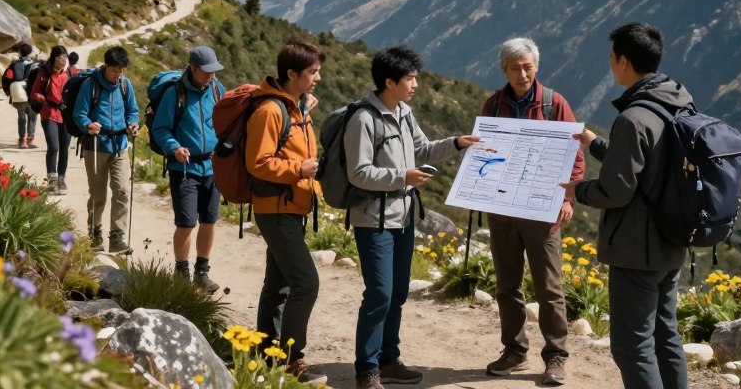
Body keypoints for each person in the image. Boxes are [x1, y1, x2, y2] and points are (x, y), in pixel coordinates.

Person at [562, 23, 691, 389]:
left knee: (633, 347)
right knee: (666, 337)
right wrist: (596, 144)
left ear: (622, 61)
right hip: (671, 241)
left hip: (636, 251)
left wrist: (577, 189)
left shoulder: (633, 118)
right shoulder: (677, 101)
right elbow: (649, 162)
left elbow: (616, 191)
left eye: (611, 58)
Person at [344, 46, 479, 389]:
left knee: (399, 292)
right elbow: (358, 173)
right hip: (373, 221)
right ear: (389, 81)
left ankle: (388, 359)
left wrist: (457, 143)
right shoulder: (363, 119)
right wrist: (402, 177)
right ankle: (367, 369)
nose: (416, 83)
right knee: (379, 294)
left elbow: (423, 150)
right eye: (410, 78)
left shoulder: (404, 112)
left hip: (403, 218)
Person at [482, 38, 584, 386]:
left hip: (542, 214)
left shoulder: (555, 104)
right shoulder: (493, 105)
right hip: (503, 213)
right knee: (507, 286)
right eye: (515, 67)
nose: (522, 73)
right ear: (504, 70)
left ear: (536, 67)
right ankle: (514, 350)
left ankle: (556, 356)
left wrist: (567, 199)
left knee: (549, 288)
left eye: (527, 66)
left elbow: (576, 157)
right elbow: (483, 152)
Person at [245, 42, 327, 385]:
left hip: (289, 207)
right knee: (306, 283)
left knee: (277, 285)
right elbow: (258, 162)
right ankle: (292, 360)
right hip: (276, 208)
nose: (318, 78)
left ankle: (266, 353)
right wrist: (300, 169)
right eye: (312, 72)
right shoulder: (270, 112)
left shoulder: (297, 108)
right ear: (291, 74)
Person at [151, 46, 226, 292]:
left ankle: (202, 274)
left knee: (209, 220)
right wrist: (174, 147)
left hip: (211, 166)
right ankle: (181, 273)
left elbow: (226, 121)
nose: (211, 76)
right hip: (183, 168)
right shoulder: (175, 94)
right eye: (206, 71)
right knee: (186, 222)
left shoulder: (216, 89)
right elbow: (160, 128)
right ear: (192, 68)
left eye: (214, 71)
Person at [73, 46, 141, 254]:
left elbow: (133, 110)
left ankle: (117, 237)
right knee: (98, 195)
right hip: (95, 147)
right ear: (106, 66)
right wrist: (88, 126)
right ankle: (95, 232)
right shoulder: (90, 86)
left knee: (121, 189)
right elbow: (79, 114)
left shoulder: (125, 86)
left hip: (120, 145)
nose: (118, 75)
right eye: (115, 70)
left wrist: (132, 123)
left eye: (121, 71)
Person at [29, 45, 73, 195]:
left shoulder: (68, 75)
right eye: (60, 56)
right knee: (54, 146)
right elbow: (34, 92)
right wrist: (41, 98)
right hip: (48, 114)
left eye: (65, 57)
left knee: (64, 149)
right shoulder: (43, 74)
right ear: (53, 57)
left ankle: (61, 179)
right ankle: (52, 180)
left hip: (65, 116)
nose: (63, 59)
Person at [7, 43, 37, 148]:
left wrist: (9, 93)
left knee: (21, 116)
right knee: (32, 115)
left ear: (19, 52)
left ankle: (21, 140)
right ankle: (30, 139)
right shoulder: (35, 65)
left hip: (18, 91)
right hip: (32, 92)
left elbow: (7, 78)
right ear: (30, 52)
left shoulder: (14, 64)